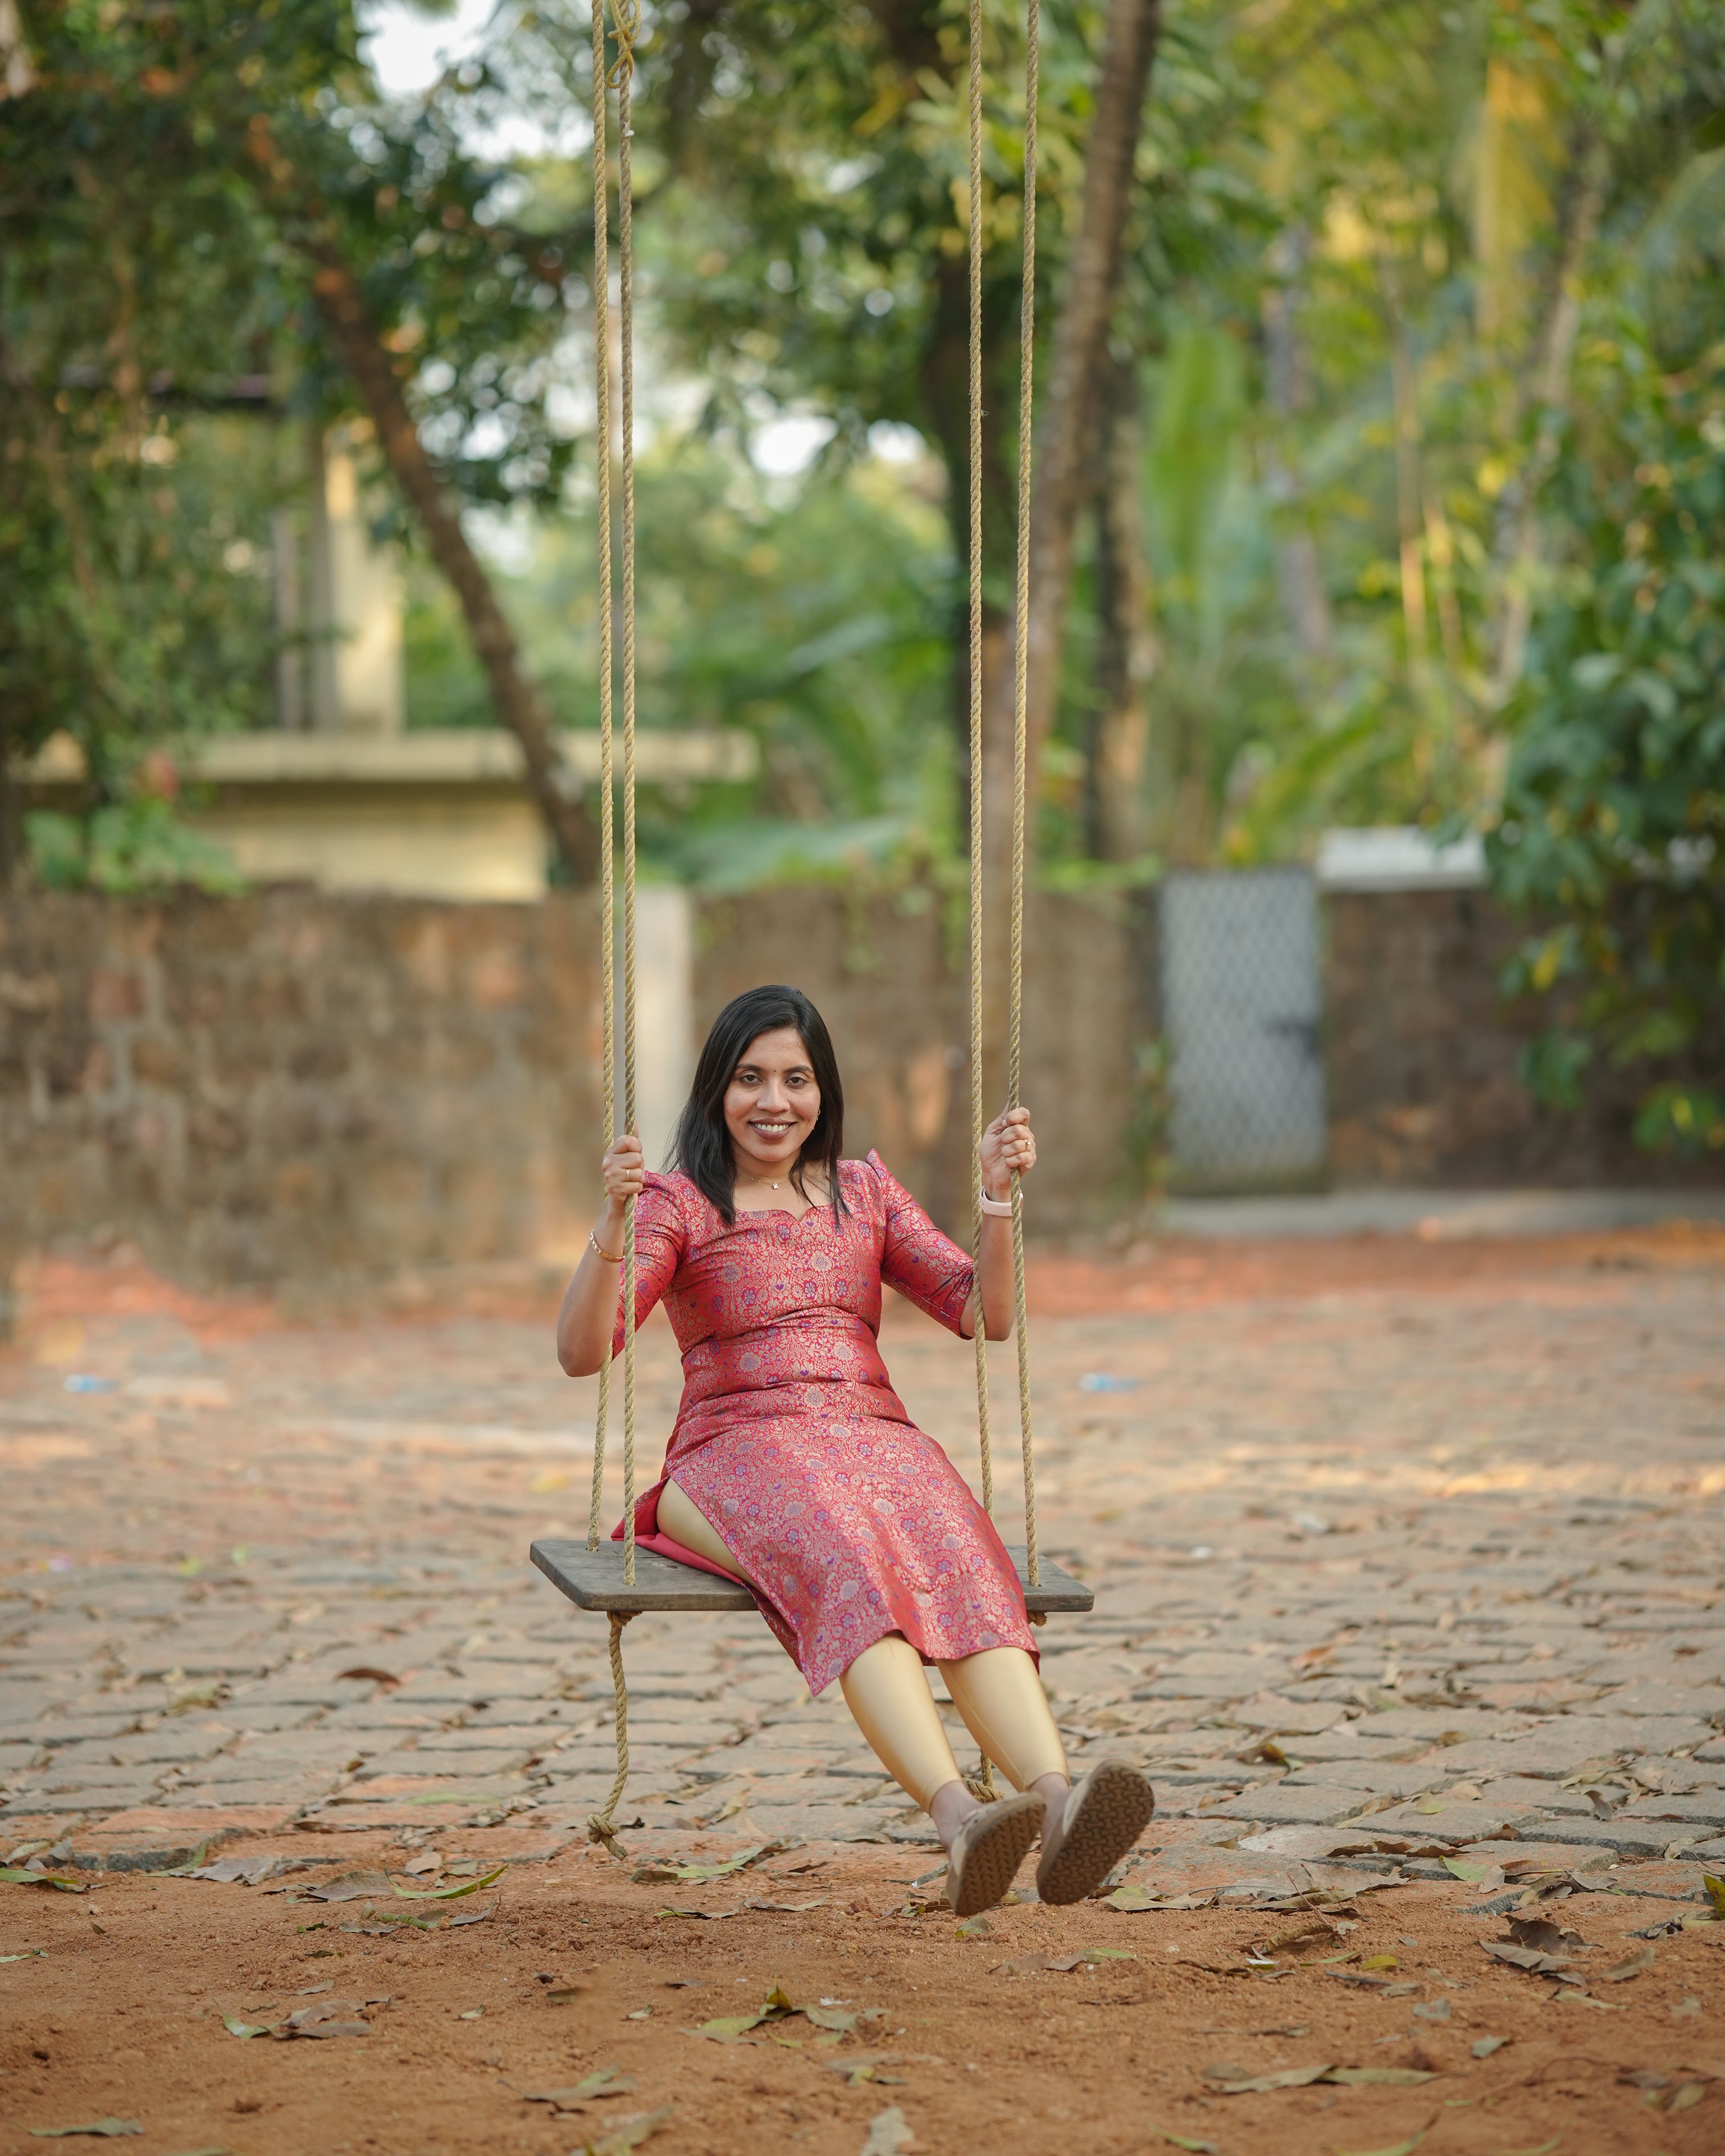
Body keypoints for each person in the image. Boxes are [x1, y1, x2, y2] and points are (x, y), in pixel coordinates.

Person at [557, 984, 1154, 1914]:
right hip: (732, 1451)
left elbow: (982, 1313)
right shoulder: (677, 1206)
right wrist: (610, 1220)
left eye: (796, 1079)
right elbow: (582, 1353)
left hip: (875, 1439)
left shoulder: (864, 1192)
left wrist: (996, 1200)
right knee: (852, 1569)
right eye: (750, 1078)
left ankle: (1058, 1803)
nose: (774, 1101)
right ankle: (960, 1822)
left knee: (962, 1557)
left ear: (823, 1093)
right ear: (717, 1089)